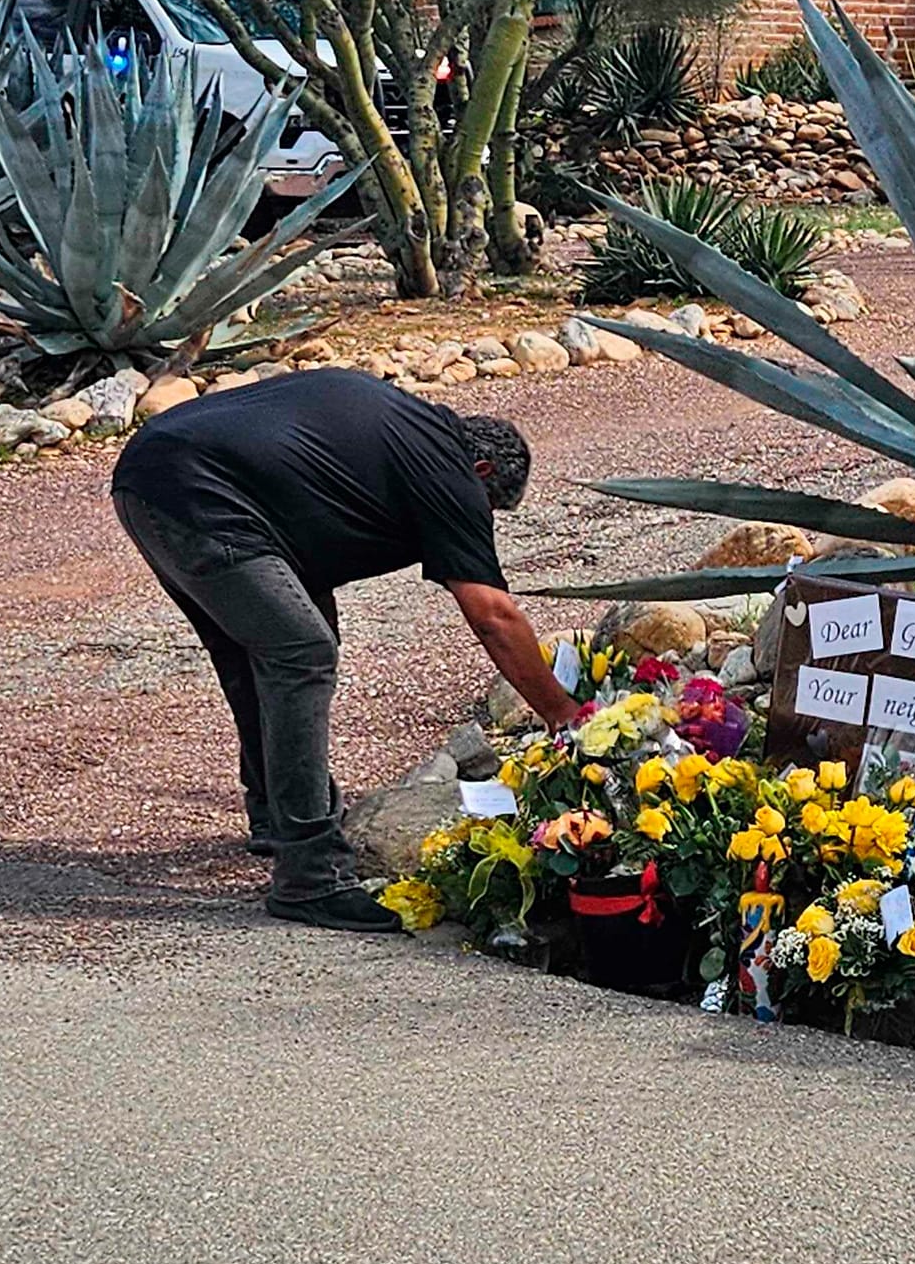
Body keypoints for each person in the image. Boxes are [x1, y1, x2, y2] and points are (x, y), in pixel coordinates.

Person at [111, 367, 584, 930]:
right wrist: (564, 713)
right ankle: (309, 878)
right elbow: (492, 615)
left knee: (258, 649)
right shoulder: (448, 468)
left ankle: (275, 815)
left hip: (149, 477)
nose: (478, 518)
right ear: (482, 470)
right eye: (487, 507)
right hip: (202, 496)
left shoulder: (402, 427)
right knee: (303, 653)